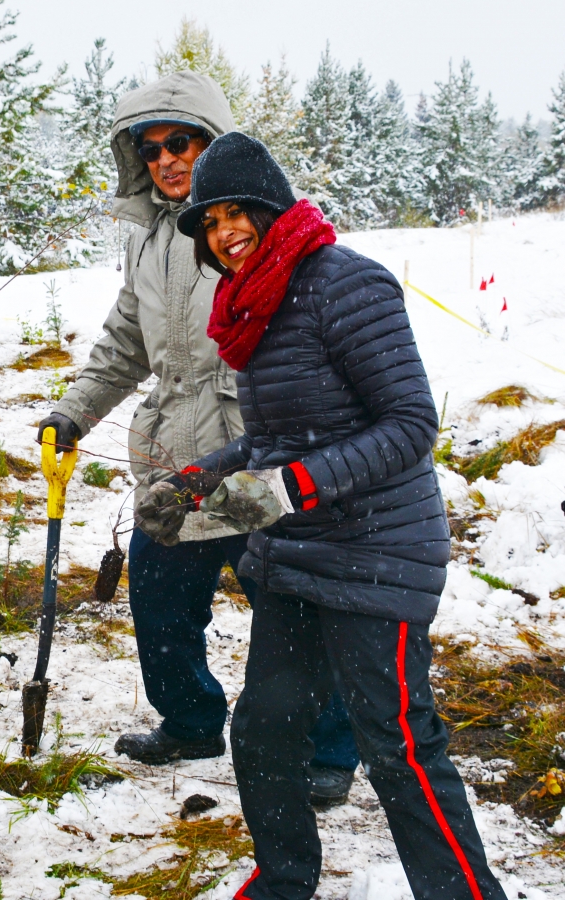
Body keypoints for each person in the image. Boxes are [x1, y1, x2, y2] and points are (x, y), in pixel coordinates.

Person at [162, 131, 506, 900]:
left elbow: (411, 423)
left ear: (272, 209)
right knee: (263, 728)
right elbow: (280, 436)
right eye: (208, 222)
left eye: (235, 213)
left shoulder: (345, 283)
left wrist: (291, 488)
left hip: (378, 551)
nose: (223, 233)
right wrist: (200, 477)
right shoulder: (254, 303)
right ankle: (284, 879)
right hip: (297, 555)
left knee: (397, 745)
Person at [36, 73, 358, 802]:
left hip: (257, 461)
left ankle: (330, 750)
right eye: (149, 149)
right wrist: (74, 411)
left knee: (297, 611)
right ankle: (189, 722)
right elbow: (124, 340)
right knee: (157, 598)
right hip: (174, 462)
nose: (166, 160)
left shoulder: (259, 224)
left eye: (180, 142)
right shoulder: (148, 239)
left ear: (214, 140)